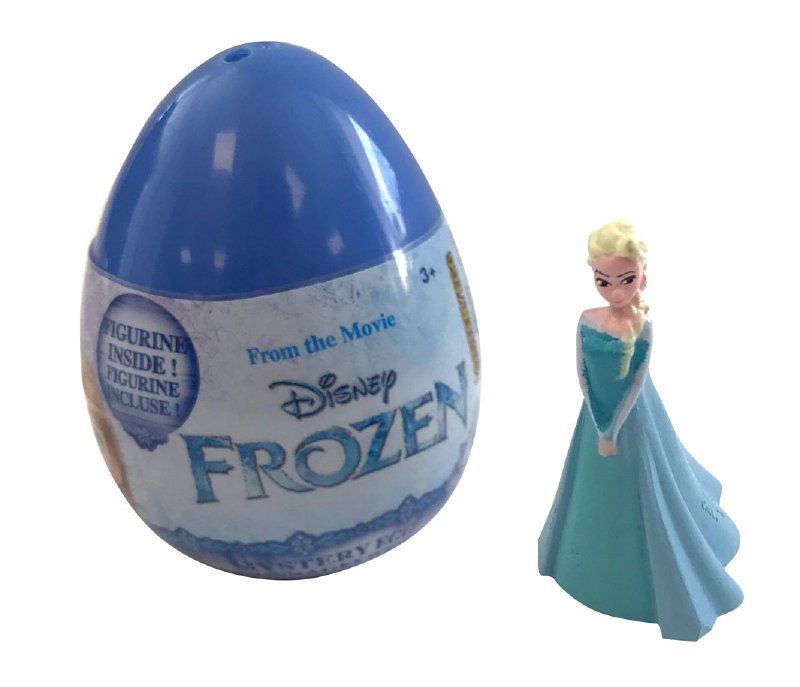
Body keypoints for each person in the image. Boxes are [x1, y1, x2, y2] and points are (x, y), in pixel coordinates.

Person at [538, 220, 742, 641]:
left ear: (642, 275)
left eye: (626, 280)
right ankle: (582, 562)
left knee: (649, 485)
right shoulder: (585, 319)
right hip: (594, 416)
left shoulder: (642, 326)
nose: (615, 292)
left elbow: (635, 383)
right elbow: (581, 371)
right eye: (603, 281)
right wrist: (597, 420)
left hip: (631, 420)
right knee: (587, 491)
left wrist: (612, 429)